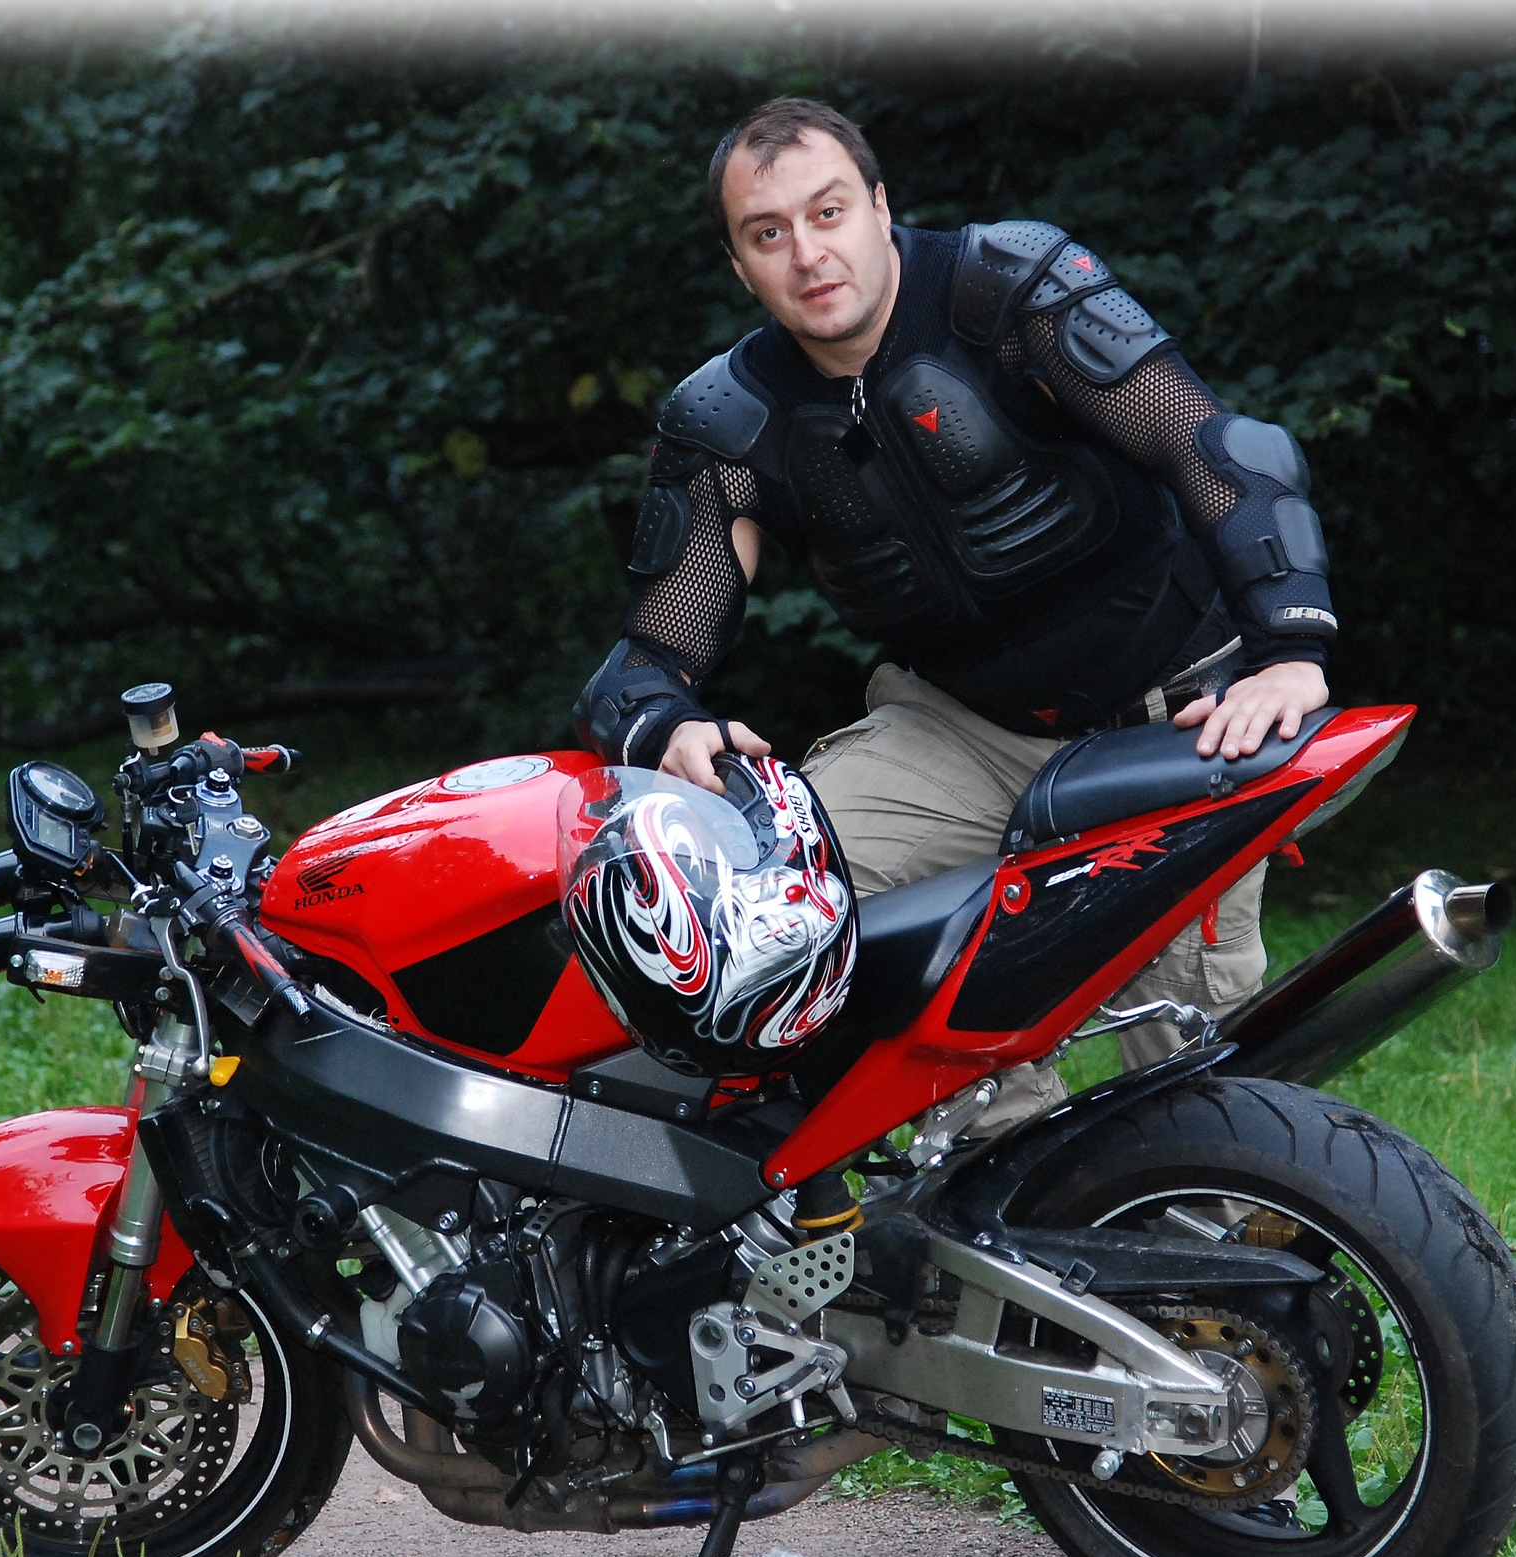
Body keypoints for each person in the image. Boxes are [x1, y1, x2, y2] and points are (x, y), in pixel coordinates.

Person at [573, 97, 1337, 1133]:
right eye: (768, 233)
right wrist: (664, 725)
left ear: (880, 206)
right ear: (739, 265)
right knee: (773, 891)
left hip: (1172, 710)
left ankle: (1216, 1211)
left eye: (829, 212)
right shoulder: (729, 419)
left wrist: (1290, 648)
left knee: (1196, 1085)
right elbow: (647, 659)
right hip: (959, 727)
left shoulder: (1011, 289)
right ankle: (992, 1156)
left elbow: (1220, 451)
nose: (809, 253)